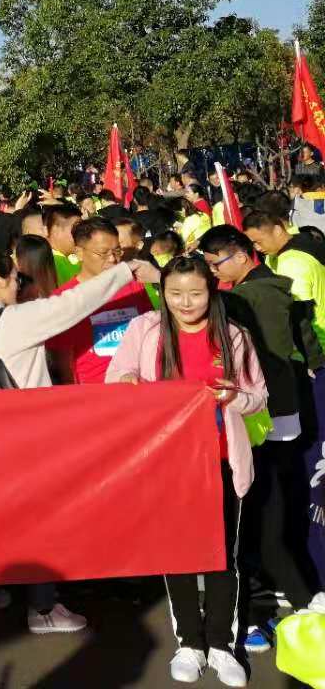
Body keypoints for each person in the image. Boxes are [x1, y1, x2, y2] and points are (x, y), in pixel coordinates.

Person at [0, 252, 148, 633]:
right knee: (39, 519)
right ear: (2, 282)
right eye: (15, 278)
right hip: (28, 441)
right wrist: (125, 272)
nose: (19, 285)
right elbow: (74, 304)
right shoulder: (19, 319)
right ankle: (43, 609)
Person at [106, 256, 266, 688]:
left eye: (195, 293)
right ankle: (189, 644)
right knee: (177, 553)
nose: (185, 302)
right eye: (175, 294)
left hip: (219, 459)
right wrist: (127, 383)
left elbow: (257, 395)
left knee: (221, 557)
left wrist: (232, 398)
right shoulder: (146, 330)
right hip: (166, 461)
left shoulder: (233, 336)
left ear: (211, 291)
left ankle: (220, 644)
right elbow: (117, 373)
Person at [199, 225, 325, 646]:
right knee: (265, 519)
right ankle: (288, 599)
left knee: (261, 522)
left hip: (264, 424)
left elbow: (270, 362)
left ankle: (274, 608)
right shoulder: (258, 290)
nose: (214, 275)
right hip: (266, 424)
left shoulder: (257, 295)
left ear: (239, 254)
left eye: (216, 264)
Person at [50, 218, 157, 385]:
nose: (113, 259)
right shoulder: (64, 298)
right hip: (93, 393)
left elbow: (150, 334)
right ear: (79, 253)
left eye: (117, 251)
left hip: (136, 386)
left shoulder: (134, 286)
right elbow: (62, 360)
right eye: (103, 253)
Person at [244, 207, 325, 351]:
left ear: (277, 230)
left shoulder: (291, 262)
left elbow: (300, 313)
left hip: (318, 342)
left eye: (258, 241)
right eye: (253, 244)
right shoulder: (304, 239)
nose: (256, 248)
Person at [44, 203, 83, 285]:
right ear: (56, 230)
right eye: (77, 228)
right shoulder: (50, 263)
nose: (82, 234)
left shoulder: (72, 257)